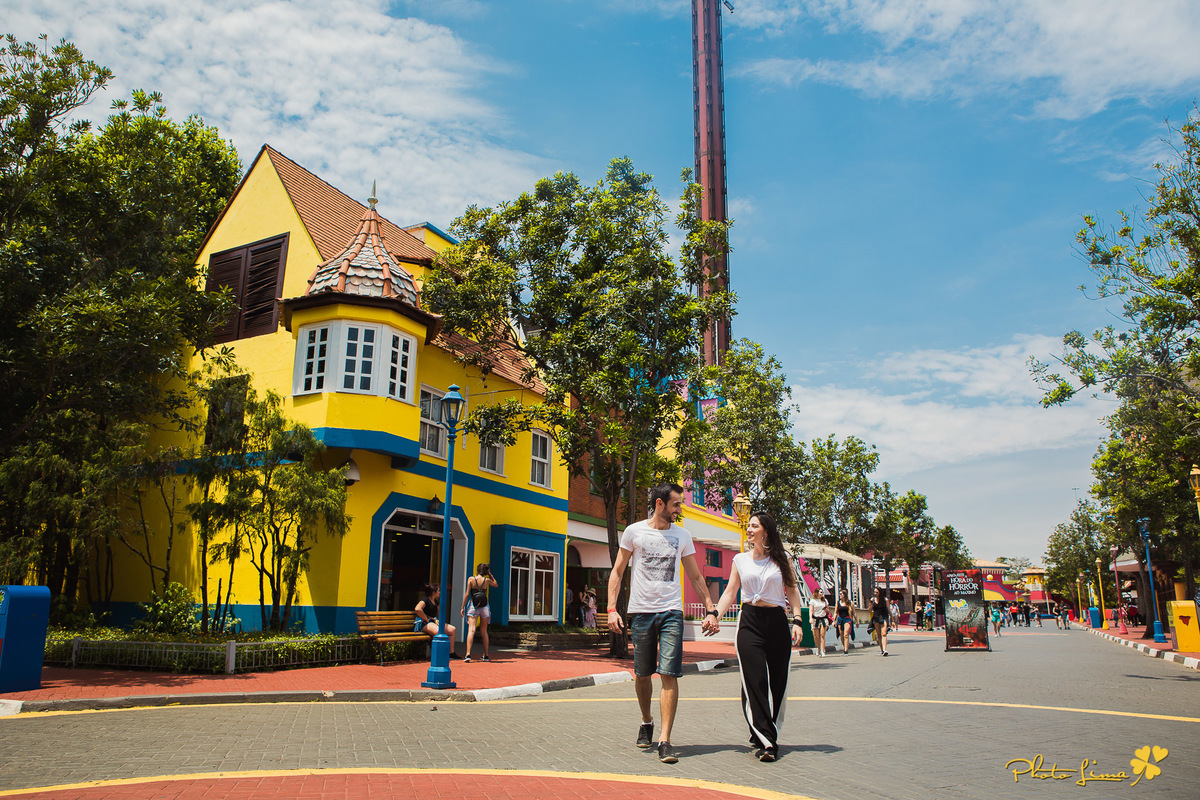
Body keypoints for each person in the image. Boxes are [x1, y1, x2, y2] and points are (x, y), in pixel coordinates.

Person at [607, 483, 717, 764]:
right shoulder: (634, 532)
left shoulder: (682, 536)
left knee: (669, 673)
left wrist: (711, 609)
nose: (680, 509)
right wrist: (611, 608)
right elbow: (618, 571)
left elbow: (695, 576)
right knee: (643, 674)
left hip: (671, 612)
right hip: (641, 612)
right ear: (659, 504)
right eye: (676, 504)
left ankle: (665, 740)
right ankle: (647, 721)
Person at [705, 511, 804, 762]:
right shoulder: (740, 560)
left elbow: (792, 592)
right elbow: (730, 592)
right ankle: (768, 740)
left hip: (777, 622)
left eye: (753, 526)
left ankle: (761, 728)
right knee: (754, 678)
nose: (748, 529)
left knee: (778, 680)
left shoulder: (783, 559)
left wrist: (798, 621)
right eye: (748, 526)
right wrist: (715, 613)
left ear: (766, 531)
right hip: (749, 622)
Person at [460, 563, 498, 662]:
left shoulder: (471, 579)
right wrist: (490, 575)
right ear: (486, 571)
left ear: (477, 570)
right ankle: (486, 655)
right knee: (484, 631)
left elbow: (467, 594)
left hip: (474, 604)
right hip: (485, 606)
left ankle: (468, 654)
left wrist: (463, 607)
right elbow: (496, 584)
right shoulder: (487, 580)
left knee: (471, 630)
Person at [808, 587, 830, 657]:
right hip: (815, 619)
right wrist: (810, 618)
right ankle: (818, 648)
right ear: (816, 593)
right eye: (820, 592)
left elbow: (828, 611)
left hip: (823, 618)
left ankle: (822, 651)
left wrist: (825, 609)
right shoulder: (813, 601)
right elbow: (811, 610)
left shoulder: (825, 601)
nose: (822, 594)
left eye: (822, 592)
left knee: (822, 635)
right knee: (816, 636)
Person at [833, 590, 855, 655]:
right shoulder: (838, 603)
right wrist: (833, 620)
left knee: (846, 634)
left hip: (847, 619)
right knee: (841, 635)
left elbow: (854, 612)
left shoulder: (849, 602)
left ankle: (846, 650)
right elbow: (835, 612)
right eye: (839, 594)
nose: (840, 595)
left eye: (841, 594)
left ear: (844, 595)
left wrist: (857, 621)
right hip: (840, 619)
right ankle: (845, 646)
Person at [869, 587, 890, 656]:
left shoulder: (885, 600)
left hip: (884, 617)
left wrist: (891, 618)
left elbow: (888, 609)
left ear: (880, 592)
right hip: (876, 617)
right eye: (874, 592)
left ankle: (884, 650)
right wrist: (871, 604)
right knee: (878, 634)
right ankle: (881, 650)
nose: (875, 594)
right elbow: (870, 610)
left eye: (877, 592)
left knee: (884, 633)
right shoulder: (872, 600)